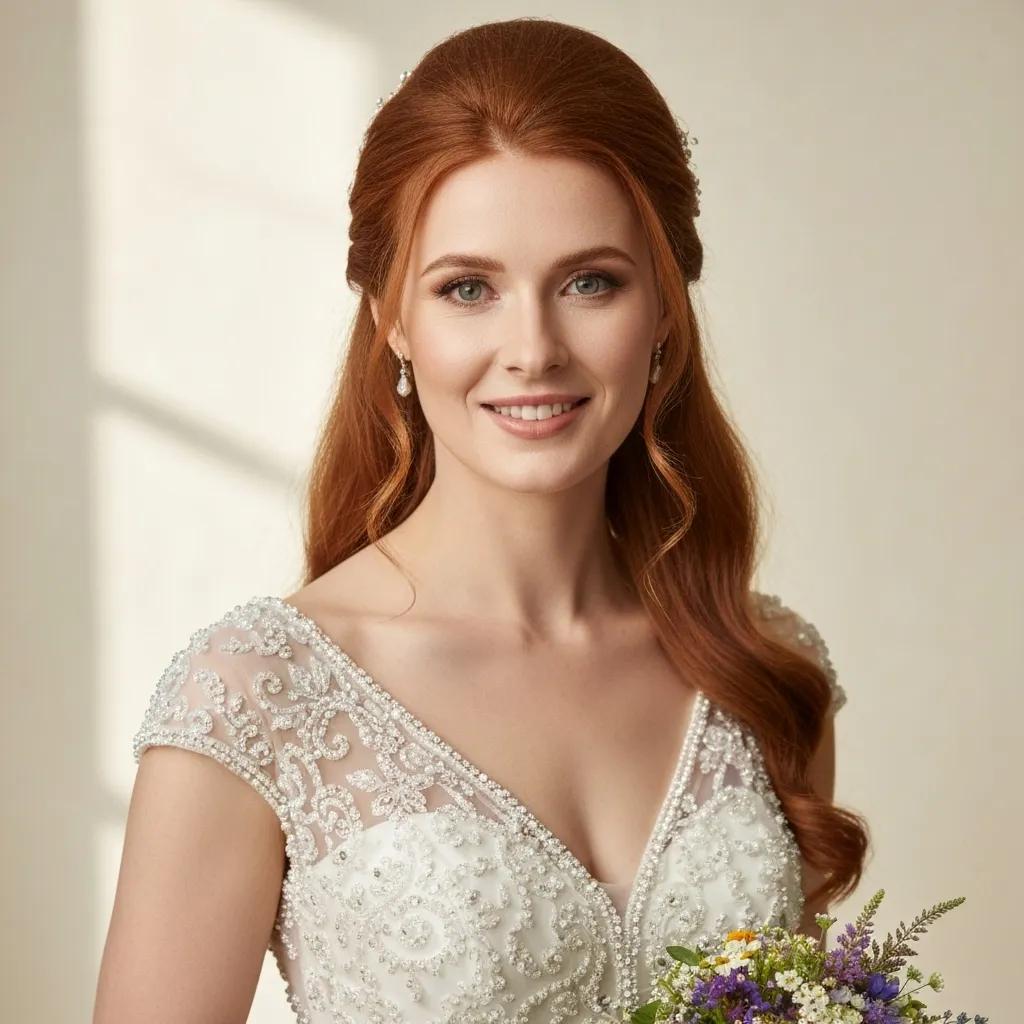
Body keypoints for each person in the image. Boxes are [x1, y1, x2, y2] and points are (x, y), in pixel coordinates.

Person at [93, 17, 869, 1024]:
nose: (532, 348)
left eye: (591, 282)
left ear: (665, 309)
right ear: (392, 319)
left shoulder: (760, 670)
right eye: (468, 288)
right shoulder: (253, 699)